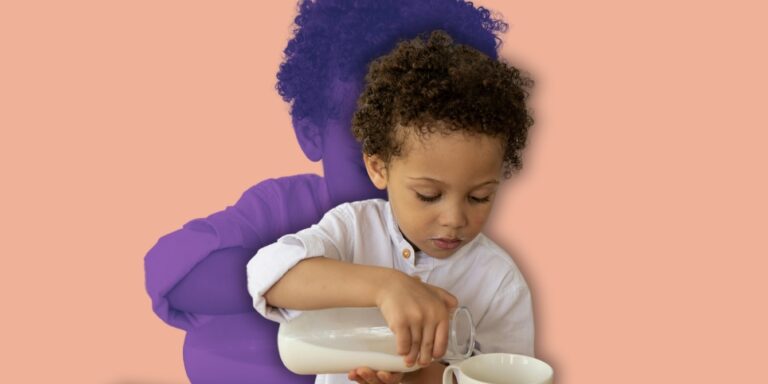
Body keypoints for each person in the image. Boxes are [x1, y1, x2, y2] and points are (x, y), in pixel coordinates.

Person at [143, 1, 510, 382]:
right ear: (311, 134)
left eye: (429, 185)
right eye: (369, 162)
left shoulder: (469, 260)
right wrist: (331, 285)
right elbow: (176, 275)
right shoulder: (283, 208)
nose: (392, 188)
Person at [247, 30, 535, 384]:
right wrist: (386, 287)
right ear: (379, 167)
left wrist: (414, 376)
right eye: (429, 195)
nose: (454, 219)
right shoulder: (352, 230)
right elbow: (267, 275)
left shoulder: (499, 282)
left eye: (479, 197)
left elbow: (508, 377)